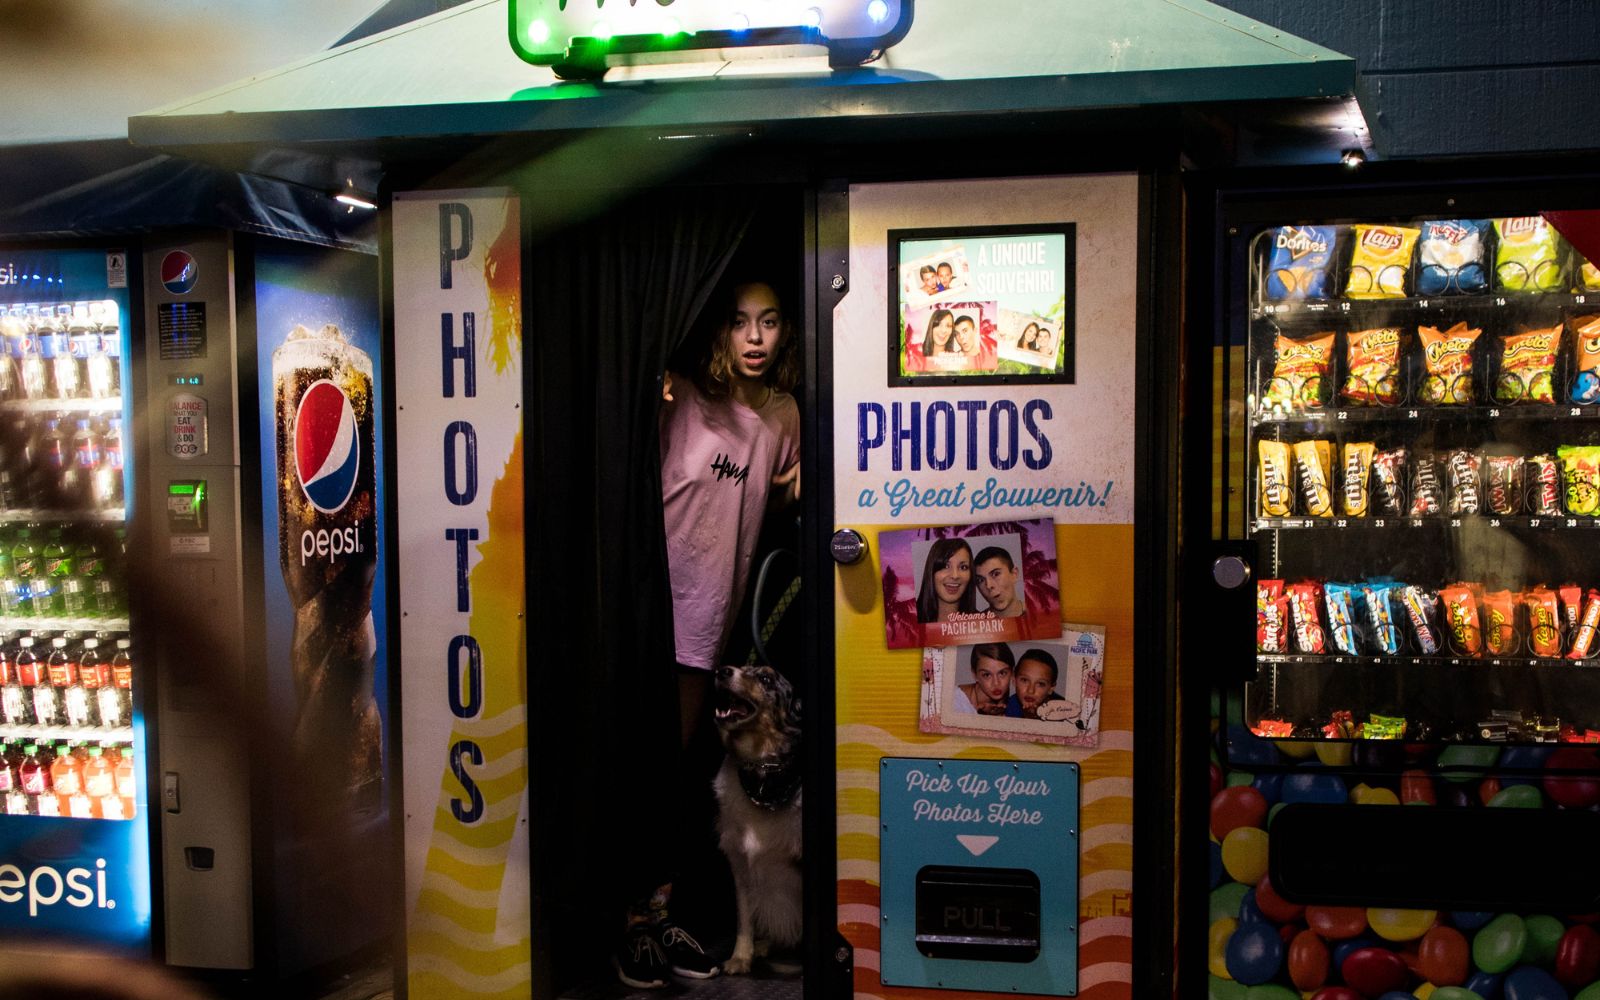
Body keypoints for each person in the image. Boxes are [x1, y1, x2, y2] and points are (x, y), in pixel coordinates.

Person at [629, 280, 801, 988]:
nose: (755, 338)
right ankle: (636, 926)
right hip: (648, 610)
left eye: (768, 322)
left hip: (709, 626)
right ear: (719, 331)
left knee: (676, 776)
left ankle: (657, 912)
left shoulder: (784, 415)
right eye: (740, 323)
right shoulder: (684, 395)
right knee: (640, 768)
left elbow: (788, 488)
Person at [915, 537, 977, 624]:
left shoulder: (984, 624)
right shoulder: (907, 621)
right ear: (932, 571)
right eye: (946, 566)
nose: (955, 576)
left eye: (963, 567)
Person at [1007, 649, 1071, 720]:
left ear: (1051, 688)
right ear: (1014, 679)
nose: (1031, 691)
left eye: (1040, 684)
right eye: (1024, 680)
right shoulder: (1007, 707)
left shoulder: (1065, 713)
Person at [955, 642, 1014, 715]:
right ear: (975, 675)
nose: (996, 683)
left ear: (1012, 673)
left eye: (1002, 673)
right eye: (987, 675)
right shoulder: (955, 702)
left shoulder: (1015, 704)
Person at [973, 546, 1024, 618]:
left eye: (996, 574)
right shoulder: (975, 624)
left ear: (1014, 574)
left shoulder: (1039, 612)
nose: (989, 585)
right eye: (981, 580)